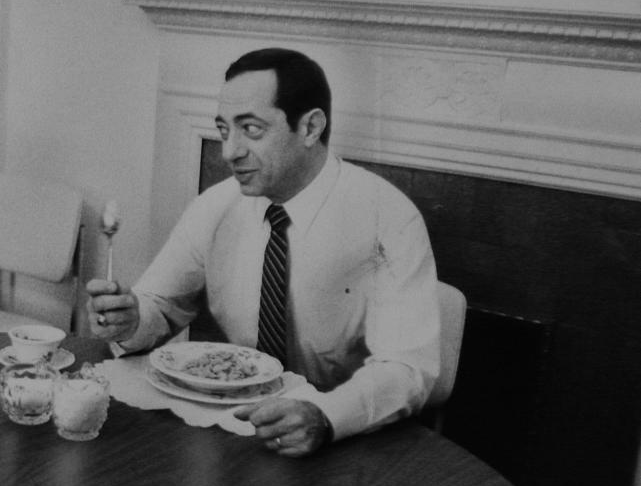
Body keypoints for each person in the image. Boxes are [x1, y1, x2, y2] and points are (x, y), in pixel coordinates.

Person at [87, 48, 440, 457]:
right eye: (224, 131)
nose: (228, 152)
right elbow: (160, 306)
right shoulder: (216, 206)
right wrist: (131, 320)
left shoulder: (388, 218)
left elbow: (407, 368)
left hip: (350, 437)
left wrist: (324, 416)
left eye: (251, 129)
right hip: (242, 431)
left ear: (310, 127)